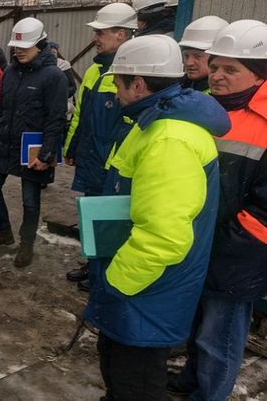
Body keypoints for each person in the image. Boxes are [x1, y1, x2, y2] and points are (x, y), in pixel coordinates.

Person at [87, 35, 230, 401]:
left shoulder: (169, 139)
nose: (114, 90)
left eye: (118, 82)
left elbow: (164, 236)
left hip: (146, 290)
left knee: (134, 380)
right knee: (119, 370)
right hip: (143, 285)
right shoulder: (155, 120)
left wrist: (115, 283)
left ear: (138, 84)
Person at [170, 20, 267, 401]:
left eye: (231, 69)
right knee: (196, 324)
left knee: (219, 335)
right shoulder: (204, 111)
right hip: (198, 243)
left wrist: (224, 242)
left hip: (236, 252)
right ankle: (191, 380)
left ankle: (210, 394)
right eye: (215, 66)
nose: (217, 75)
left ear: (258, 74)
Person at [0, 17, 68, 268]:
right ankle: (3, 230)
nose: (19, 51)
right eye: (16, 47)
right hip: (4, 142)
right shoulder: (10, 71)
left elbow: (56, 118)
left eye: (24, 47)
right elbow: (3, 108)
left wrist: (47, 154)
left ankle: (26, 242)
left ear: (40, 44)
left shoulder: (53, 77)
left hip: (33, 148)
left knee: (30, 200)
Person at [61, 3, 137, 290]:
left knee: (112, 221)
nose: (95, 38)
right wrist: (71, 148)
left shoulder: (131, 72)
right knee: (93, 215)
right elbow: (81, 113)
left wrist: (115, 164)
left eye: (100, 33)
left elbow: (130, 128)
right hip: (92, 158)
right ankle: (93, 265)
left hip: (113, 164)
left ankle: (105, 273)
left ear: (121, 34)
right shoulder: (95, 70)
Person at [178, 15, 229, 93]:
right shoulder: (180, 85)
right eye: (186, 56)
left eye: (198, 56)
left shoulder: (224, 94)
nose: (189, 63)